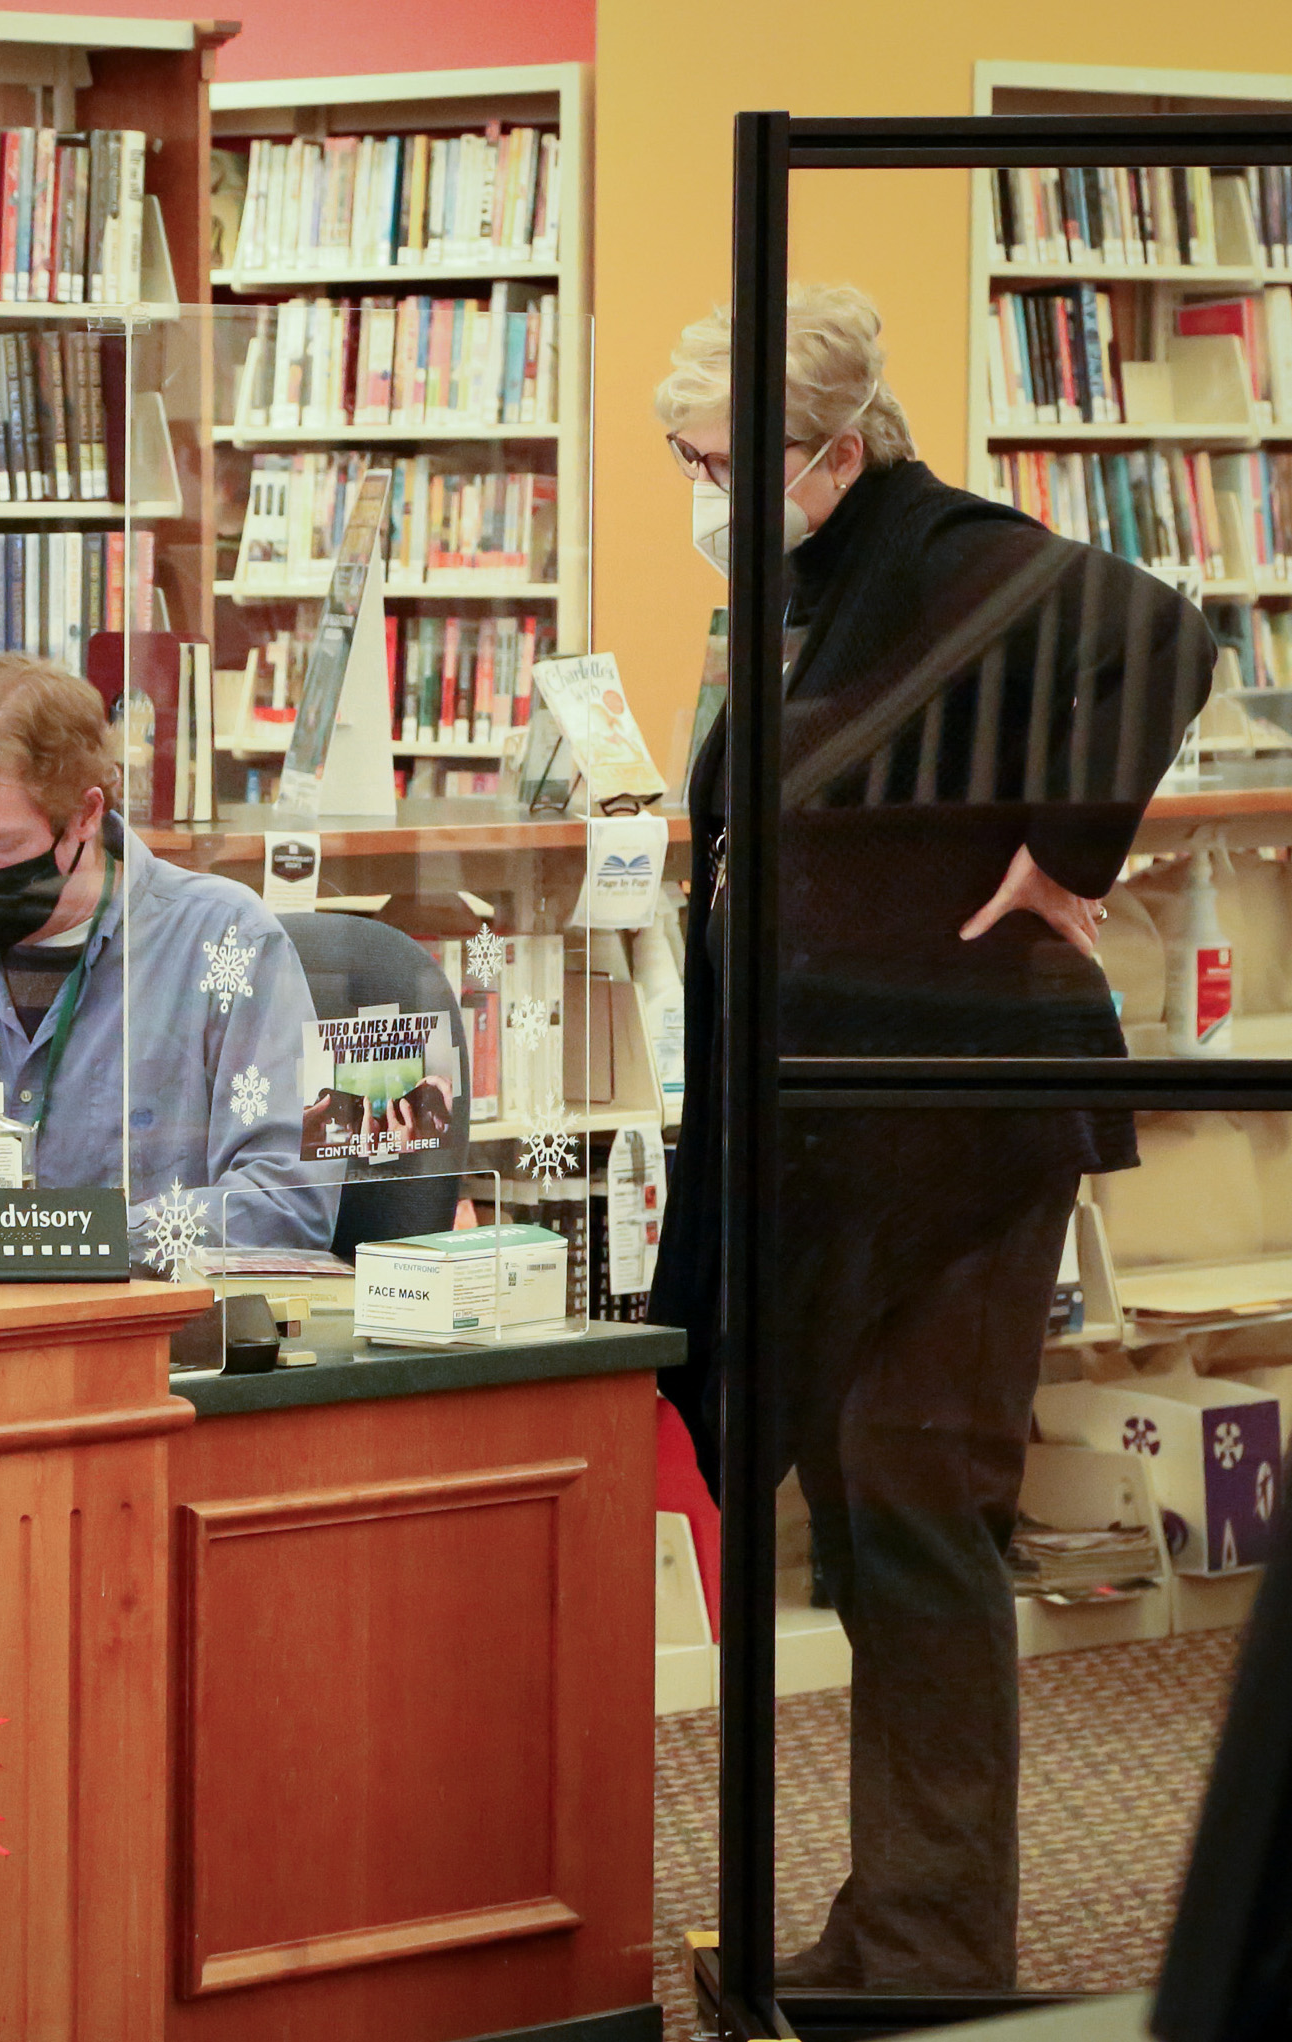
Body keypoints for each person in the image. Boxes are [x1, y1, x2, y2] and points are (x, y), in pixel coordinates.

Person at [646, 286, 1211, 1991]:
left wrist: (1072, 860)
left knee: (910, 1497)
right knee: (871, 1490)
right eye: (681, 458)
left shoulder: (943, 546)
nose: (693, 488)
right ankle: (896, 1924)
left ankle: (925, 1940)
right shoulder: (820, 577)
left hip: (956, 1121)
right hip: (853, 1118)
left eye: (713, 458)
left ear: (830, 450)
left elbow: (1158, 634)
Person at [0, 651, 331, 1260]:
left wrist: (60, 1242)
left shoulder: (228, 940)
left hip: (145, 1335)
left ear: (86, 814)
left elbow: (285, 1203)